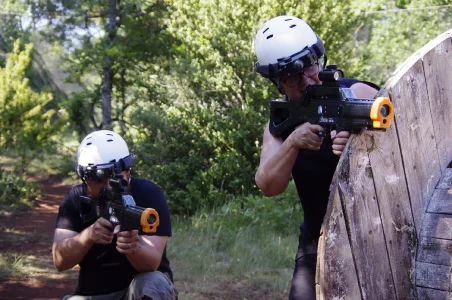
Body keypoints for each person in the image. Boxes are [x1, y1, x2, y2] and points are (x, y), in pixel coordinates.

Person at [253, 16, 379, 300]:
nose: (307, 80)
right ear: (278, 83)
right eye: (293, 77)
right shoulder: (282, 121)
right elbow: (267, 185)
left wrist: (361, 145)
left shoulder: (357, 93)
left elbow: (411, 142)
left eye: (310, 66)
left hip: (376, 231)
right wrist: (293, 143)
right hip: (317, 238)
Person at [52, 130, 176, 300]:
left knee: (153, 283)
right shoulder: (74, 198)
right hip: (92, 295)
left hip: (135, 292)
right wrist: (88, 235)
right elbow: (60, 261)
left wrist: (134, 247)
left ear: (128, 172)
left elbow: (152, 263)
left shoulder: (149, 193)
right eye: (99, 181)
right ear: (85, 179)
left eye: (115, 180)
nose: (108, 188)